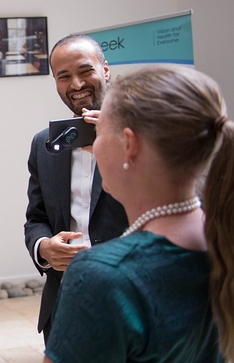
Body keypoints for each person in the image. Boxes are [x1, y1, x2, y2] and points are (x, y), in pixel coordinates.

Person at [43, 64, 227, 362]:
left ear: (129, 144)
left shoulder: (102, 275)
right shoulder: (222, 238)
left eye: (99, 132)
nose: (93, 146)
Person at [24, 33, 128, 343]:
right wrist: (44, 247)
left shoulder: (139, 134)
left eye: (85, 71)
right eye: (64, 76)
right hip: (64, 304)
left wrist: (118, 146)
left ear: (105, 70)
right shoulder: (44, 145)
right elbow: (36, 217)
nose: (76, 84)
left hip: (128, 300)